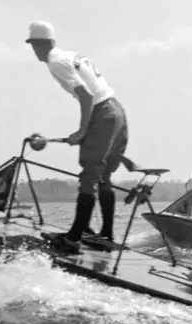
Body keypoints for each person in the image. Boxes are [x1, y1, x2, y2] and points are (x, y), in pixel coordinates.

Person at [26, 20, 129, 253]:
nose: (34, 51)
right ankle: (105, 235)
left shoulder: (56, 63)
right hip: (117, 112)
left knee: (89, 175)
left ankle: (73, 239)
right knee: (104, 176)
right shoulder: (71, 55)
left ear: (38, 45)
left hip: (102, 113)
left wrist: (82, 132)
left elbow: (86, 96)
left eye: (33, 45)